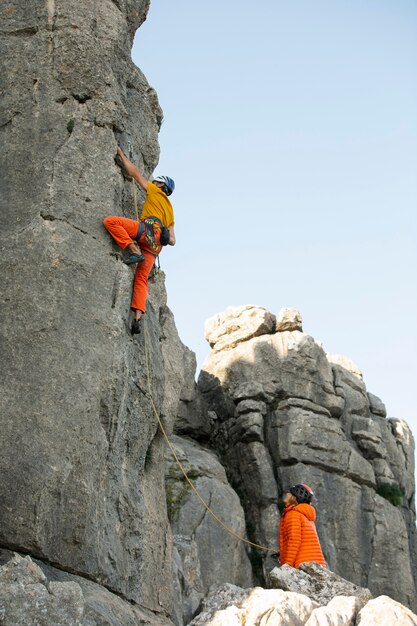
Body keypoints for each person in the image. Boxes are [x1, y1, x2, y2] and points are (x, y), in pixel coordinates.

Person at [103, 147, 176, 335]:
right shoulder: (170, 211)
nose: (154, 183)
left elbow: (135, 173)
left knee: (111, 222)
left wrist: (120, 153)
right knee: (141, 278)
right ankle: (137, 317)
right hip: (155, 246)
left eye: (157, 182)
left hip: (146, 232)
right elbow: (173, 241)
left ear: (161, 186)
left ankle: (133, 250)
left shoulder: (155, 191)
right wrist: (166, 237)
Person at [279, 483, 326, 569]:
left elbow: (294, 540)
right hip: (317, 564)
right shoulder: (306, 515)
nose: (287, 494)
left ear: (295, 497)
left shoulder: (293, 514)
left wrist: (287, 566)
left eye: (290, 493)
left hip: (302, 564)